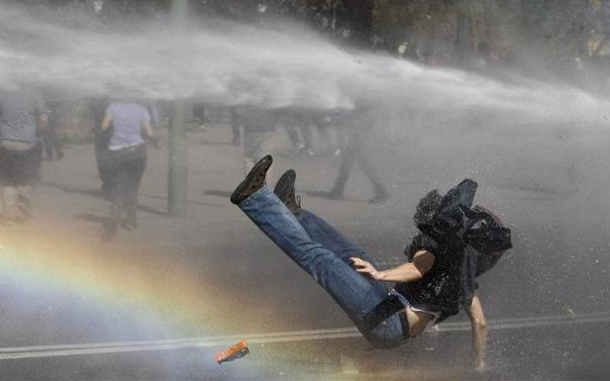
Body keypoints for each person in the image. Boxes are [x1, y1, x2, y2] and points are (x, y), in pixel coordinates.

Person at [230, 155, 512, 370]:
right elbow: (478, 321)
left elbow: (420, 270)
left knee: (321, 260)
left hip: (389, 325)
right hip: (389, 304)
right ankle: (294, 213)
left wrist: (380, 274)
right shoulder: (457, 267)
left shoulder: (460, 274)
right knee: (354, 256)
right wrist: (479, 368)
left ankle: (256, 200)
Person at [100, 100, 160, 240]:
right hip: (137, 151)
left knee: (119, 188)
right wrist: (156, 142)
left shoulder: (112, 106)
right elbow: (149, 132)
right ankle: (131, 220)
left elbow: (104, 127)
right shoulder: (140, 108)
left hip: (117, 151)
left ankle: (113, 220)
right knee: (133, 187)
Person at [0, 87, 48, 224]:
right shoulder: (35, 93)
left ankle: (10, 213)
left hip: (5, 142)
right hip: (28, 143)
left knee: (7, 179)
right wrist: (36, 133)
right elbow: (43, 120)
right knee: (25, 177)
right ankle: (21, 200)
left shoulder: (2, 91)